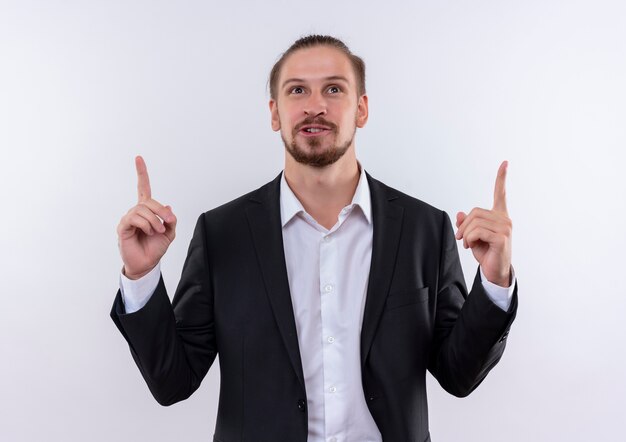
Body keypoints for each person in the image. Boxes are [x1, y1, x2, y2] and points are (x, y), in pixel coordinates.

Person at [111, 35, 517, 442]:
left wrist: (495, 283)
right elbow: (172, 383)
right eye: (297, 90)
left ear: (362, 109)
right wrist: (141, 275)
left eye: (334, 89)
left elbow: (458, 374)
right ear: (275, 113)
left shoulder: (424, 228)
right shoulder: (222, 234)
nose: (315, 105)